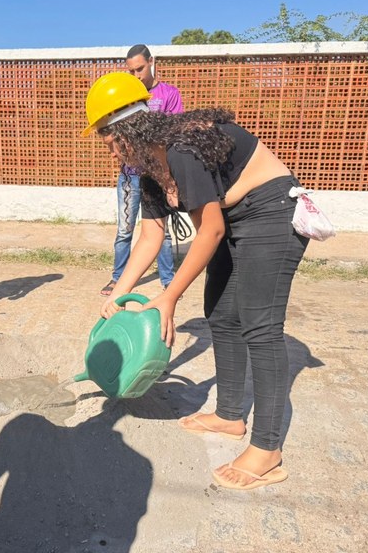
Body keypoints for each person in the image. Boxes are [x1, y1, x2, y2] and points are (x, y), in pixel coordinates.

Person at [83, 72, 309, 490]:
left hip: (272, 212)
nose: (107, 148)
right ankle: (229, 416)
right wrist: (117, 291)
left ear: (125, 129)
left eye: (107, 139)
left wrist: (168, 297)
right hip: (235, 217)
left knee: (260, 326)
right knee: (221, 316)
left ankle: (268, 449)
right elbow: (151, 235)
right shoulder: (150, 167)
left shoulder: (182, 150)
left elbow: (210, 231)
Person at [100, 44, 183, 297]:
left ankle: (168, 279)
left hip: (157, 174)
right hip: (129, 174)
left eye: (140, 69)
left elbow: (174, 131)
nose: (136, 75)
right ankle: (119, 278)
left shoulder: (169, 93)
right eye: (131, 71)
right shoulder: (126, 94)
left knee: (161, 231)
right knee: (124, 229)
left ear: (151, 62)